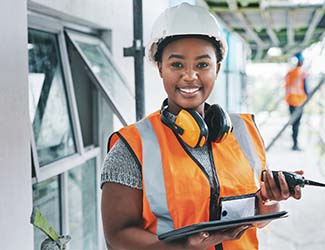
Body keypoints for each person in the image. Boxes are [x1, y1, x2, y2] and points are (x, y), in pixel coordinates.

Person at [101, 3, 303, 249]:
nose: (190, 76)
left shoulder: (244, 131)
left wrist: (270, 200)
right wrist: (185, 247)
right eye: (177, 65)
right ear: (160, 68)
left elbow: (257, 216)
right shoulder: (132, 146)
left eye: (202, 64)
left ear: (217, 68)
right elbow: (117, 236)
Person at [284, 52, 309, 151]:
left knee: (293, 124)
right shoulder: (302, 74)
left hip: (290, 101)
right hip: (299, 102)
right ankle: (295, 144)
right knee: (296, 124)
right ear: (301, 62)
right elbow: (306, 90)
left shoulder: (290, 73)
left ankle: (294, 143)